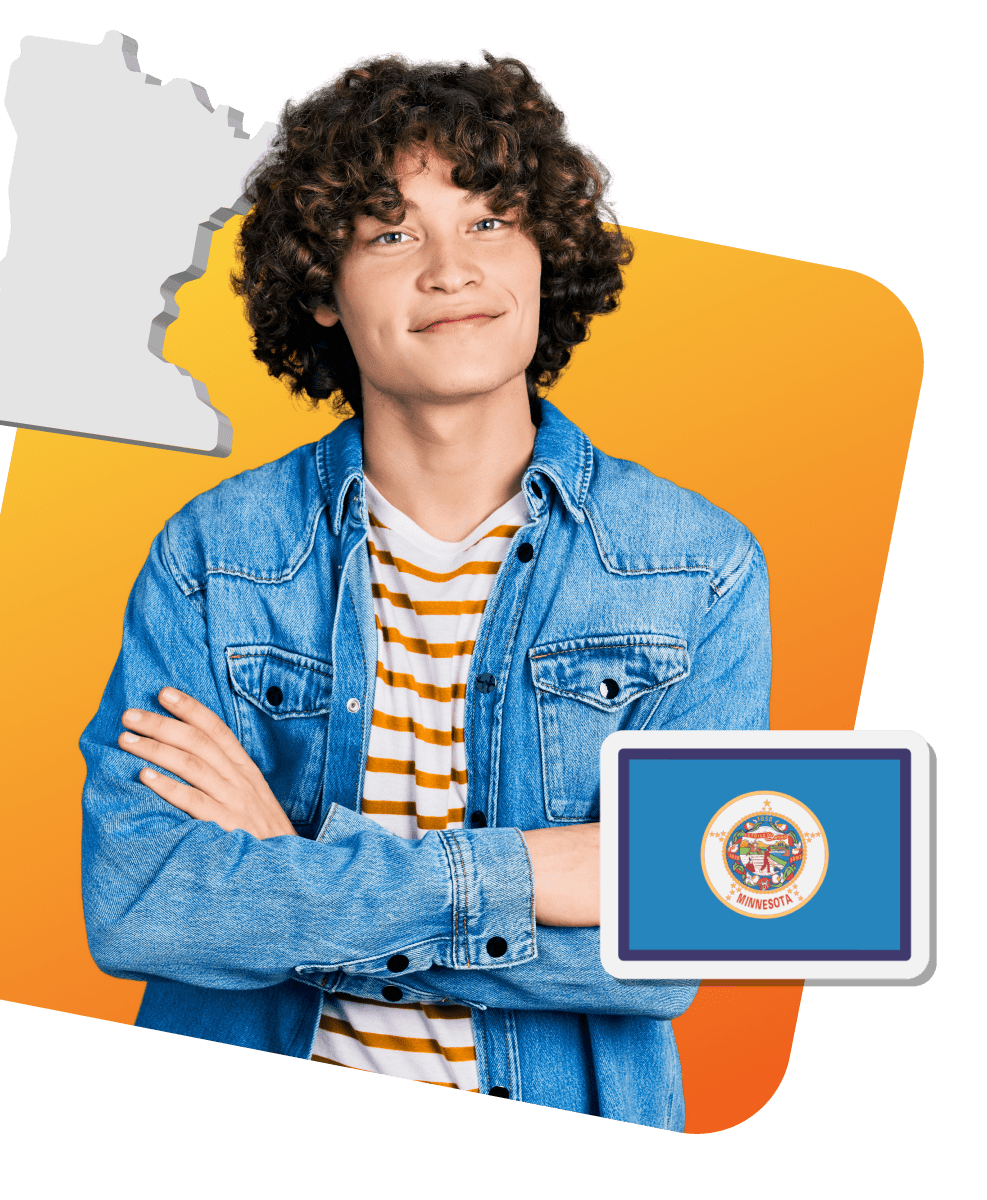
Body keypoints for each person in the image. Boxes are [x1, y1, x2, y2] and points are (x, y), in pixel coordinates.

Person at [80, 51, 771, 1130]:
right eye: (392, 233)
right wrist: (522, 882)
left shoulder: (698, 566)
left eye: (489, 223)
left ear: (550, 256)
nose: (451, 270)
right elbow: (143, 908)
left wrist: (287, 873)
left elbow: (665, 960)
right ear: (319, 287)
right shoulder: (211, 557)